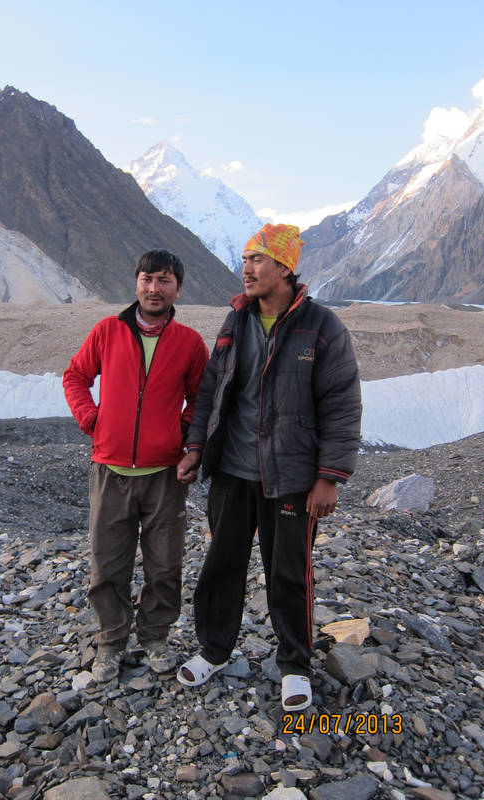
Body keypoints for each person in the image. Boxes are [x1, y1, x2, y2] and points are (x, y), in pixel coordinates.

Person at [175, 223, 362, 710]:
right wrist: (196, 448)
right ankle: (214, 650)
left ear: (284, 267)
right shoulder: (234, 321)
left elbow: (341, 406)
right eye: (244, 259)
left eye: (257, 259)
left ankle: (295, 664)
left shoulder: (322, 326)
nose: (246, 269)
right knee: (222, 566)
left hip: (293, 480)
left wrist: (329, 478)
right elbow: (211, 393)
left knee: (289, 573)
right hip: (232, 473)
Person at [63, 250, 208, 682]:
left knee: (165, 564)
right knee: (108, 563)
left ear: (177, 289)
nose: (154, 288)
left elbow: (202, 400)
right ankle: (110, 641)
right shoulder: (108, 331)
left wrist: (184, 438)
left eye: (165, 280)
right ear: (136, 283)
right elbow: (75, 377)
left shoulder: (188, 343)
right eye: (148, 278)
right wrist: (93, 419)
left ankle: (155, 636)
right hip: (110, 471)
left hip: (164, 475)